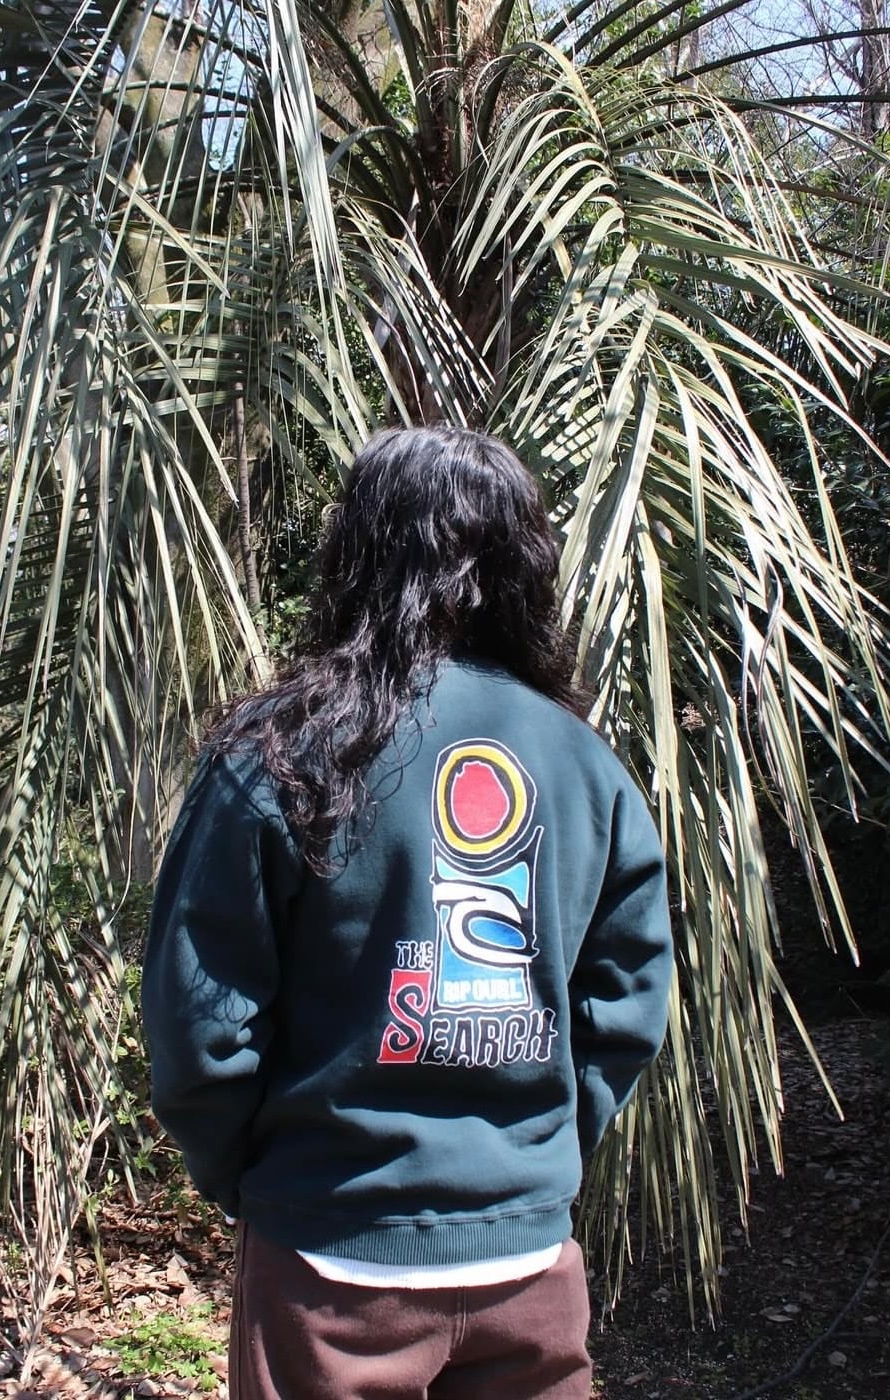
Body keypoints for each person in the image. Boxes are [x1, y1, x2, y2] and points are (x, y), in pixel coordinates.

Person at [142, 424, 674, 1400]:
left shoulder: (281, 751)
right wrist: (533, 1157)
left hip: (330, 1267)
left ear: (359, 552)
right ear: (521, 565)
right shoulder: (585, 764)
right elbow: (628, 1003)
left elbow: (200, 1022)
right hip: (528, 1271)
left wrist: (256, 1177)